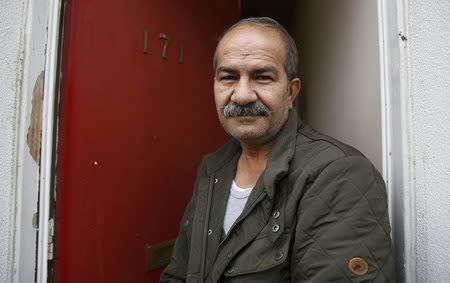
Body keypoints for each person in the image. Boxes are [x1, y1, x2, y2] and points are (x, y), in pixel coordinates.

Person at [161, 17, 395, 282]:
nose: (242, 95)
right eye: (229, 77)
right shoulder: (213, 168)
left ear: (291, 92)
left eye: (262, 77)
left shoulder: (338, 174)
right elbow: (178, 274)